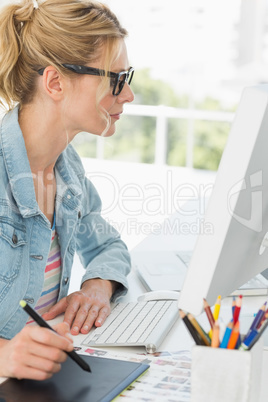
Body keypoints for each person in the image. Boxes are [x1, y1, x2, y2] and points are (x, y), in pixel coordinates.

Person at [0, 0, 134, 380]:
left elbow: (108, 246)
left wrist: (97, 286)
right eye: (115, 79)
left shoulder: (67, 168)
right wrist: (4, 355)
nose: (127, 95)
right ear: (55, 82)